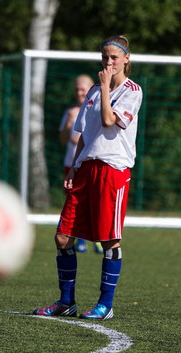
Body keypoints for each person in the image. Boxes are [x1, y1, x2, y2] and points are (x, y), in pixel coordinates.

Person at [33, 35, 143, 320]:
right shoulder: (94, 90)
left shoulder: (132, 91)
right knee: (62, 237)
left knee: (108, 240)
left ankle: (105, 305)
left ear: (126, 59)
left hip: (113, 170)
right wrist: (73, 167)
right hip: (85, 170)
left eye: (114, 57)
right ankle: (65, 301)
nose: (108, 62)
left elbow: (108, 121)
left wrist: (106, 88)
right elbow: (83, 134)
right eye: (105, 57)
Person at [59, 74, 103, 254]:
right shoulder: (70, 113)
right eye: (77, 89)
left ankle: (98, 239)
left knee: (95, 202)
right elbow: (63, 140)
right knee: (75, 203)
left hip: (89, 163)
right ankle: (79, 240)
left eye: (83, 89)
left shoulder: (98, 109)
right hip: (71, 164)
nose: (79, 92)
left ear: (91, 89)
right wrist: (69, 123)